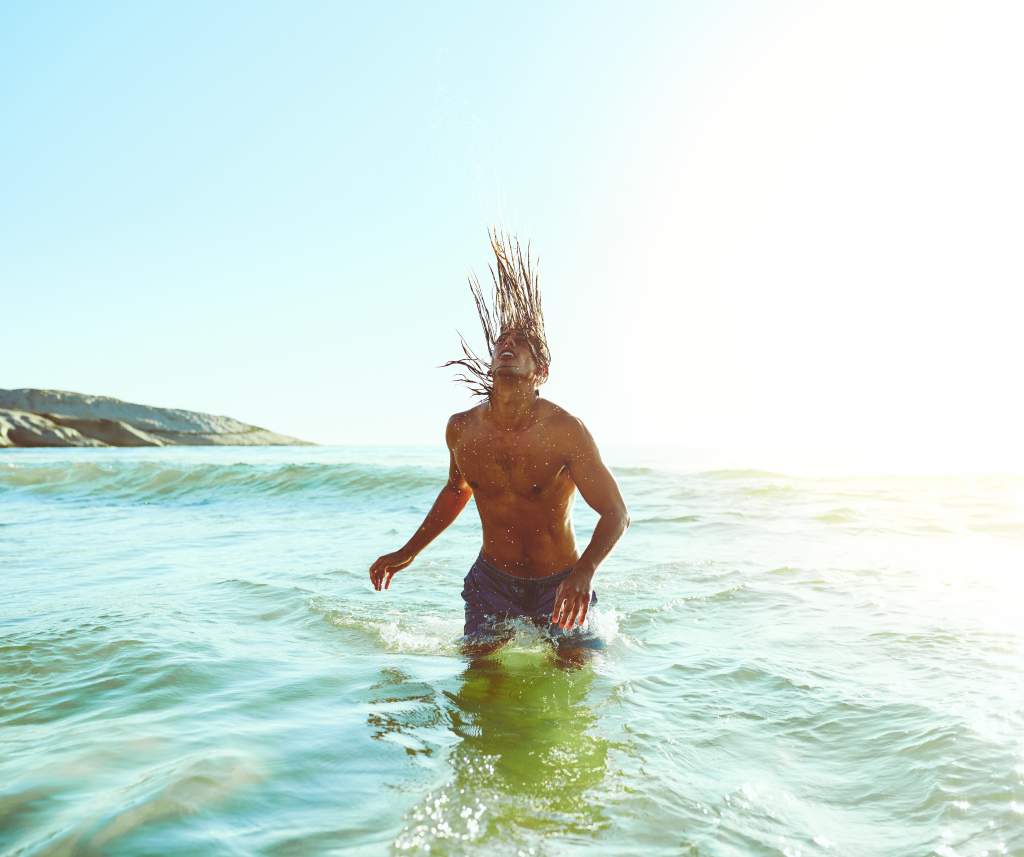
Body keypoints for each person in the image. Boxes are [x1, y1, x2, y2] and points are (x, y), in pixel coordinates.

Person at [369, 228, 629, 661]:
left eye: (521, 343)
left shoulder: (566, 431)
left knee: (575, 683)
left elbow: (616, 513)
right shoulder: (462, 430)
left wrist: (584, 573)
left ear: (540, 370)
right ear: (491, 360)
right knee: (479, 687)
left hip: (560, 584)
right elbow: (457, 490)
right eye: (502, 342)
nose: (507, 345)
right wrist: (406, 552)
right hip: (491, 583)